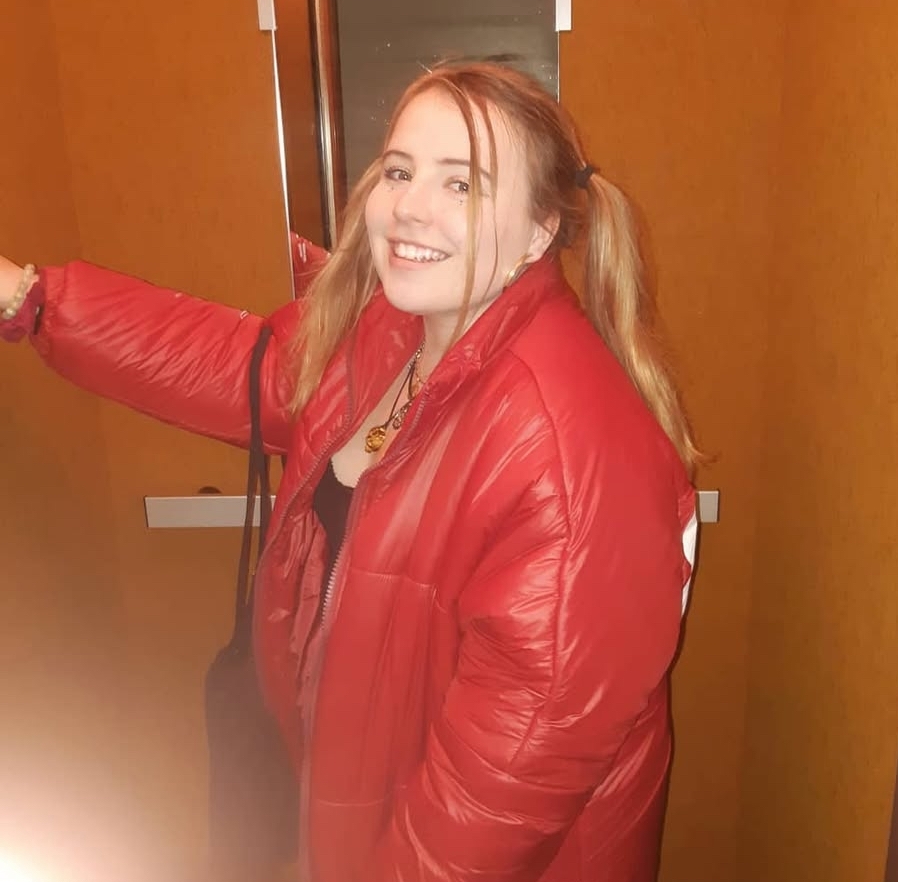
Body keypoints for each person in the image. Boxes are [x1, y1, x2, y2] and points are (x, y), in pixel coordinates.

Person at [1, 62, 701, 882]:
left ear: (540, 229)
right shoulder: (396, 330)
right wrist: (32, 299)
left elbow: (479, 818)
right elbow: (242, 363)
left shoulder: (570, 456)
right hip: (356, 809)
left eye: (462, 184)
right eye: (399, 171)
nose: (409, 207)